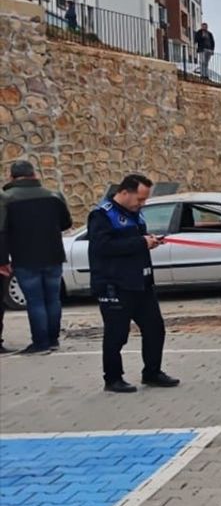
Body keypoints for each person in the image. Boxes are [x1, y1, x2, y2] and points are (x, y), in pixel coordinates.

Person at [88, 174, 179, 393]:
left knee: (155, 329)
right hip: (115, 284)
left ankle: (152, 373)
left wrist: (150, 241)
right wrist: (140, 242)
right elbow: (103, 247)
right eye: (139, 199)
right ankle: (113, 378)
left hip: (141, 283)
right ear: (125, 192)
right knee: (117, 334)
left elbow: (133, 242)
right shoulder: (102, 215)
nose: (142, 204)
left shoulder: (134, 214)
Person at [0, 161, 73, 354]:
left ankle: (40, 343)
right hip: (54, 255)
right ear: (34, 174)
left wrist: (2, 260)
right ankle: (53, 340)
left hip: (25, 257)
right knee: (53, 299)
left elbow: (2, 231)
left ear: (12, 177)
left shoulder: (6, 199)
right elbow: (66, 223)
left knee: (35, 301)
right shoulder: (54, 196)